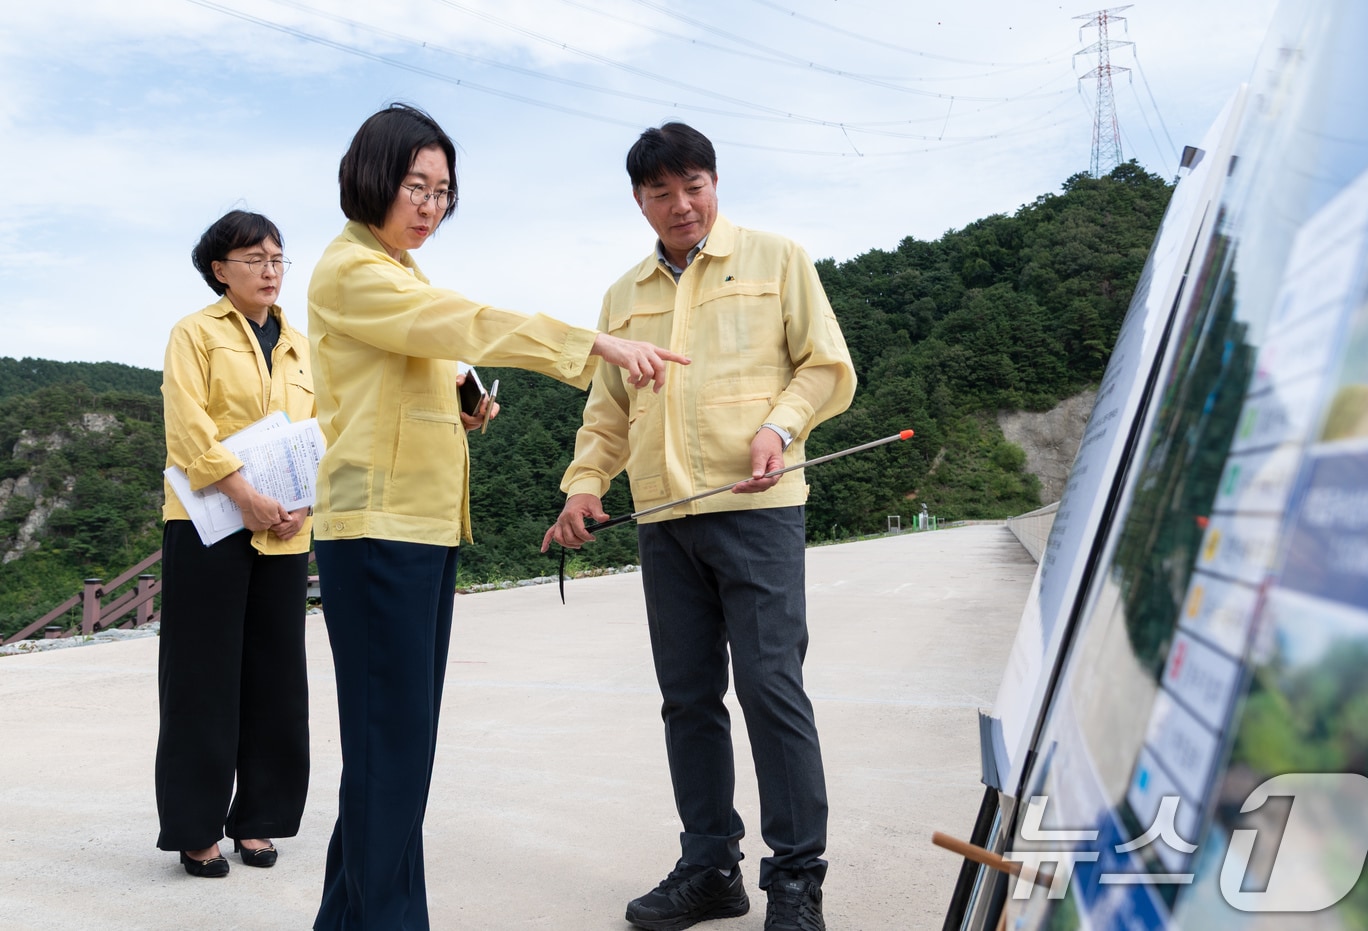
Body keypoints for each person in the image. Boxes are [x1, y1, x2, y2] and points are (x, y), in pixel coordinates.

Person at [306, 103, 688, 931]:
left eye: (443, 190)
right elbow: (462, 322)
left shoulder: (399, 274)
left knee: (394, 752)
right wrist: (592, 343)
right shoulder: (349, 270)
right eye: (416, 185)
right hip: (376, 533)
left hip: (417, 529)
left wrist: (465, 403)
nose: (431, 205)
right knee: (391, 752)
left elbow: (432, 354)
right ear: (371, 176)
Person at [542, 122, 856, 931]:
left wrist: (778, 430)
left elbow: (825, 365)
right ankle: (710, 864)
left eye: (694, 186)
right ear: (639, 201)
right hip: (665, 523)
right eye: (661, 193)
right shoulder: (625, 296)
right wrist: (584, 486)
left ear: (716, 182)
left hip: (757, 514)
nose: (681, 205)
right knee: (687, 699)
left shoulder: (776, 260)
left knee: (770, 690)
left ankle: (796, 879)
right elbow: (606, 413)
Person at [156, 210, 314, 877]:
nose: (271, 269)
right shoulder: (195, 333)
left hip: (282, 529)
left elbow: (317, 429)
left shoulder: (303, 344)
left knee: (276, 676)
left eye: (278, 257)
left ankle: (259, 819)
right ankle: (196, 827)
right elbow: (188, 425)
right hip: (208, 523)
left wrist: (300, 501)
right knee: (201, 678)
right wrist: (243, 493)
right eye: (254, 257)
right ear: (219, 268)